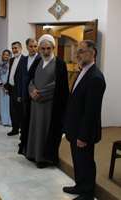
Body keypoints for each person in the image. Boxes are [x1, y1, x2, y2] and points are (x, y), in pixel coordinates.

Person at [63, 40, 106, 200]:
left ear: (92, 52)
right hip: (75, 128)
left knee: (86, 162)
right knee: (78, 160)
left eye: (81, 51)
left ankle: (87, 193)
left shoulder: (95, 77)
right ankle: (80, 185)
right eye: (77, 51)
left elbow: (91, 112)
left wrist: (83, 136)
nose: (77, 54)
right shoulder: (83, 71)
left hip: (84, 131)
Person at [26, 34, 69, 168]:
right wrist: (32, 90)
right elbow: (30, 80)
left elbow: (59, 85)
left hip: (49, 105)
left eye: (48, 49)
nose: (45, 51)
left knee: (44, 130)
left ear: (53, 48)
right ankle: (33, 154)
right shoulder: (37, 62)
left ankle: (44, 158)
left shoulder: (60, 64)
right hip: (35, 103)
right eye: (43, 49)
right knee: (35, 129)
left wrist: (41, 93)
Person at [17, 38, 41, 155]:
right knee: (24, 120)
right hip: (24, 96)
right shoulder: (23, 60)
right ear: (27, 47)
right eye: (31, 46)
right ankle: (23, 142)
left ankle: (31, 145)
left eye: (35, 46)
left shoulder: (40, 59)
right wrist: (20, 94)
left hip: (35, 95)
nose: (33, 48)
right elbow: (20, 79)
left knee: (33, 121)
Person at [4, 41, 23, 136]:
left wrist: (21, 93)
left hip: (19, 90)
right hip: (12, 88)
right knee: (13, 111)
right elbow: (10, 75)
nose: (14, 50)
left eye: (16, 48)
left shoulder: (24, 60)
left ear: (21, 48)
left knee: (20, 111)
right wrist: (7, 86)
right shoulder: (11, 60)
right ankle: (14, 129)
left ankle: (22, 130)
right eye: (13, 48)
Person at [0, 49, 12, 126]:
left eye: (7, 55)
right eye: (4, 54)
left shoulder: (12, 66)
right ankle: (4, 121)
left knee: (10, 105)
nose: (6, 56)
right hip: (2, 88)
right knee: (3, 105)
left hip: (11, 87)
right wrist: (2, 86)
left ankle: (10, 121)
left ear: (10, 56)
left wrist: (8, 86)